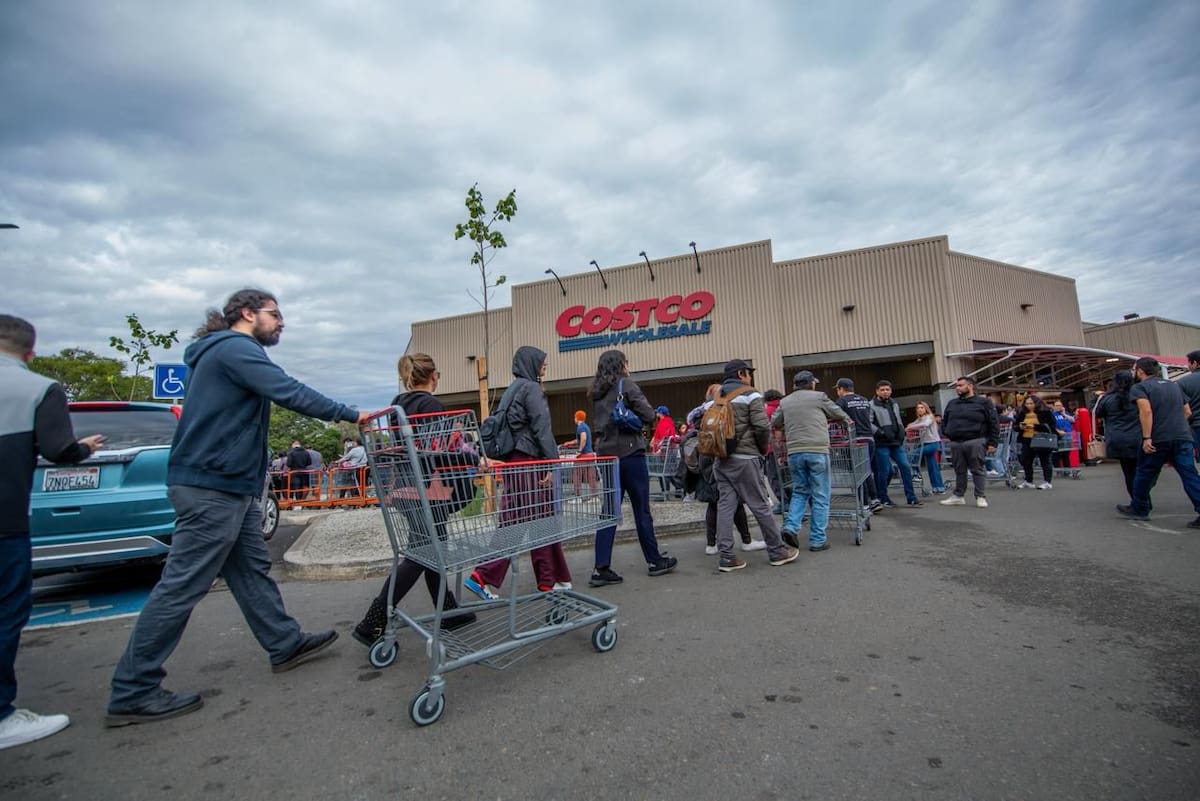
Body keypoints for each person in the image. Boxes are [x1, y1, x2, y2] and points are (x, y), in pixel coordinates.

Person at [106, 288, 371, 727]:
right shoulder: (235, 349)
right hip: (214, 485)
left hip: (233, 486)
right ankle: (132, 689)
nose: (281, 321)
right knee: (182, 585)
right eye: (275, 314)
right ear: (247, 314)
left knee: (250, 570)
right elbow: (287, 390)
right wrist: (350, 413)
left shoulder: (218, 355)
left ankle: (283, 642)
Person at [0, 315, 105, 750]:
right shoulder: (37, 388)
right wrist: (86, 448)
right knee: (6, 612)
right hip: (5, 522)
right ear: (29, 352)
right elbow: (60, 450)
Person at [352, 353, 478, 646]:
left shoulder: (399, 405)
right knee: (422, 552)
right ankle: (373, 621)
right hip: (427, 490)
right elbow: (442, 447)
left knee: (434, 546)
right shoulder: (430, 404)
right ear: (433, 375)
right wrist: (476, 457)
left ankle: (446, 610)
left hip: (406, 487)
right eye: (439, 375)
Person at [464, 346, 573, 597]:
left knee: (523, 518)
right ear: (531, 363)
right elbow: (541, 426)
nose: (545, 366)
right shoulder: (531, 388)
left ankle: (545, 578)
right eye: (542, 362)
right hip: (530, 460)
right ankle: (490, 576)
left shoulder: (512, 389)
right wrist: (552, 461)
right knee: (534, 519)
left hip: (516, 461)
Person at [586, 349, 677, 586]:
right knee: (641, 509)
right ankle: (654, 560)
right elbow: (647, 414)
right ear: (621, 365)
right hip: (630, 453)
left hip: (606, 456)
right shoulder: (626, 385)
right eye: (627, 362)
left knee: (608, 511)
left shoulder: (596, 391)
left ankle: (601, 568)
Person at [710, 359, 800, 571]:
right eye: (748, 372)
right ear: (741, 373)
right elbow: (761, 426)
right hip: (745, 457)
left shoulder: (718, 395)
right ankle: (777, 551)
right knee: (760, 504)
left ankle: (726, 556)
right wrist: (761, 449)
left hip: (721, 458)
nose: (750, 376)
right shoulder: (751, 394)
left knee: (725, 506)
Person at [771, 371, 851, 552]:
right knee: (820, 495)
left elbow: (775, 420)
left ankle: (791, 527)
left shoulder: (785, 402)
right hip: (817, 450)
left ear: (795, 385)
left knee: (800, 491)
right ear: (811, 384)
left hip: (795, 452)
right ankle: (817, 540)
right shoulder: (819, 397)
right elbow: (840, 414)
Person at [1116, 357, 1200, 528]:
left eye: (1134, 370)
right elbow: (1187, 411)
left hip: (1158, 438)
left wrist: (1147, 437)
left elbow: (1146, 411)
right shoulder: (1173, 385)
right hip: (1182, 436)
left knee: (1144, 473)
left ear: (1140, 371)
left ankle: (1139, 508)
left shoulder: (1140, 388)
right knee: (1189, 474)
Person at [688, 384, 763, 554]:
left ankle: (712, 544)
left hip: (705, 458)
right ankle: (744, 541)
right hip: (719, 457)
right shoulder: (718, 409)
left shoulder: (700, 414)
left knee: (715, 503)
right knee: (733, 502)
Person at [938, 376, 999, 508]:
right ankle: (958, 496)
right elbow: (945, 420)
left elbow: (993, 422)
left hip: (976, 440)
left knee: (977, 469)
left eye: (960, 385)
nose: (957, 388)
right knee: (959, 470)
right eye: (957, 386)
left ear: (970, 386)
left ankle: (980, 496)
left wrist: (993, 442)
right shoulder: (952, 403)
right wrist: (947, 433)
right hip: (956, 441)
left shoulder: (984, 402)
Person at [870, 380, 922, 508]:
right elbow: (869, 422)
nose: (885, 392)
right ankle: (883, 497)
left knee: (905, 467)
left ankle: (911, 497)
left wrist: (901, 432)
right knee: (884, 471)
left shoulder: (894, 403)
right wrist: (880, 433)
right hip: (881, 443)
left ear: (891, 390)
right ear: (877, 391)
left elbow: (898, 419)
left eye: (887, 389)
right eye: (882, 390)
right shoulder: (871, 405)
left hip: (896, 442)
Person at [1094, 370, 1141, 503]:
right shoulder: (1138, 396)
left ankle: (1137, 501)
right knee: (1142, 470)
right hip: (1138, 437)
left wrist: (1096, 397)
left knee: (1128, 472)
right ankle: (1142, 499)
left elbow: (1097, 413)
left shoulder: (1108, 398)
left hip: (1117, 438)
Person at [835, 378, 879, 511]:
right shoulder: (864, 400)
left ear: (841, 389)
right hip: (869, 438)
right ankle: (875, 500)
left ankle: (864, 503)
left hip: (855, 439)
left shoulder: (842, 401)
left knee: (857, 473)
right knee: (866, 471)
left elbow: (836, 417)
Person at [1014, 394, 1059, 490]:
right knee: (1026, 460)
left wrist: (1034, 426)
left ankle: (1047, 481)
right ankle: (1028, 481)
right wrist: (1020, 427)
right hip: (1026, 438)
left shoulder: (1045, 412)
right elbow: (1015, 426)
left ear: (1037, 403)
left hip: (1041, 438)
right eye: (1027, 403)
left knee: (1045, 460)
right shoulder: (1022, 413)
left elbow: (1051, 426)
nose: (1028, 405)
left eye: (1031, 403)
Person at [906, 401, 946, 494]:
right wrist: (909, 426)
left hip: (932, 443)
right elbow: (913, 424)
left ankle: (915, 474)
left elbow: (925, 424)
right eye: (918, 408)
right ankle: (938, 488)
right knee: (932, 467)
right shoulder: (920, 419)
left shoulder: (929, 417)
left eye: (922, 407)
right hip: (925, 443)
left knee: (914, 453)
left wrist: (910, 427)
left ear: (926, 408)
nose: (919, 409)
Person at [568, 410, 599, 500]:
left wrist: (579, 451)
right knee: (591, 476)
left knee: (576, 475)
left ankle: (577, 497)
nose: (574, 419)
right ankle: (594, 497)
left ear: (577, 418)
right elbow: (580, 439)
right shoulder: (586, 427)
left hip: (583, 455)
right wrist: (570, 443)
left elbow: (583, 438)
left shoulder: (580, 427)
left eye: (574, 417)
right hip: (590, 454)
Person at [1178, 349, 1200, 459]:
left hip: (1196, 425)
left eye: (1189, 363)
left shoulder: (1182, 382)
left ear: (1195, 363)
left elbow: (1182, 409)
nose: (1188, 366)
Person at [1051, 400, 1076, 470]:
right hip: (1057, 436)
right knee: (1057, 454)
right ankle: (1058, 470)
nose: (1059, 407)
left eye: (1060, 405)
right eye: (1057, 406)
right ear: (1054, 407)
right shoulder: (1052, 414)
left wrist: (1064, 413)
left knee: (1066, 454)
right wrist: (1058, 431)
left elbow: (1073, 420)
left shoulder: (1066, 413)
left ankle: (1067, 470)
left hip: (1067, 436)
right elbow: (1051, 425)